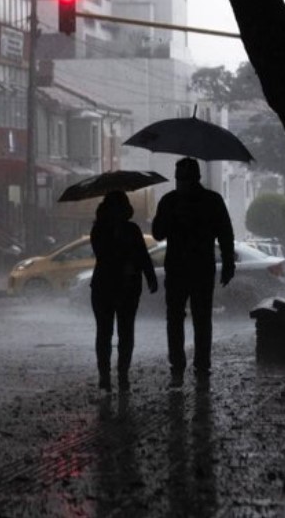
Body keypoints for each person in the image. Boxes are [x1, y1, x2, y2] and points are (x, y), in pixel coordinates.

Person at [152, 157, 235, 386]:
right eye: (179, 178)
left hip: (185, 269)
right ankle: (196, 365)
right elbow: (226, 235)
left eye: (183, 178)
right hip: (195, 269)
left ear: (193, 178)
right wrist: (228, 263)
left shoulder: (172, 201)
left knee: (183, 318)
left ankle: (185, 365)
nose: (181, 182)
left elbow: (225, 235)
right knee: (196, 318)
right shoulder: (211, 200)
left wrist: (229, 263)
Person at [89, 190, 158, 394]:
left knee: (124, 333)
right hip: (106, 287)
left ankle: (122, 375)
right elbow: (103, 254)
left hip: (125, 288)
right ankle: (105, 376)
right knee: (105, 332)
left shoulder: (132, 229)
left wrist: (150, 277)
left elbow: (143, 256)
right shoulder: (100, 230)